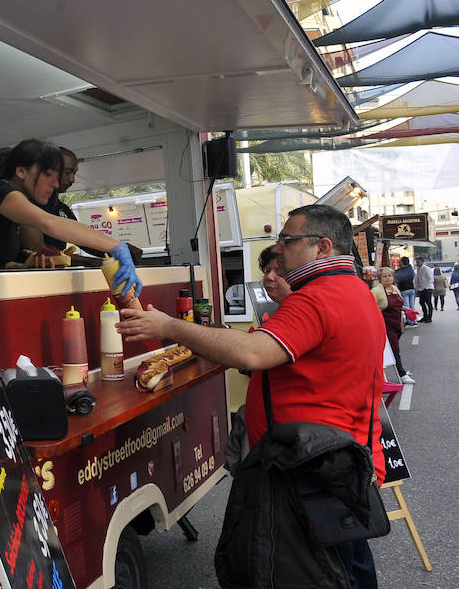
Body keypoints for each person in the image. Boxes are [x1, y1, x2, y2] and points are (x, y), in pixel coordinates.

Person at [117, 204, 385, 587]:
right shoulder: (350, 289)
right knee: (347, 566)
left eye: (287, 240)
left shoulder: (318, 297)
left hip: (313, 471)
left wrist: (169, 325)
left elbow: (251, 353)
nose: (278, 249)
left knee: (321, 573)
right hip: (337, 463)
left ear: (322, 247)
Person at [0, 139, 142, 296]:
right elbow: (51, 223)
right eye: (48, 175)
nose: (55, 184)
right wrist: (116, 247)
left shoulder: (5, 203)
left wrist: (25, 266)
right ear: (21, 171)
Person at [371, 267, 415, 384]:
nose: (388, 278)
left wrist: (407, 310)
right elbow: (370, 308)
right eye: (385, 276)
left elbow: (398, 305)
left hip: (397, 324)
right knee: (394, 349)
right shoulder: (376, 292)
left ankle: (378, 374)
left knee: (391, 349)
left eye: (390, 276)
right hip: (385, 325)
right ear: (380, 279)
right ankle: (402, 374)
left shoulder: (395, 289)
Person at [393, 256, 417, 326]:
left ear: (402, 262)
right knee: (412, 306)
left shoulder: (399, 271)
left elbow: (396, 280)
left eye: (400, 261)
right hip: (412, 289)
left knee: (407, 307)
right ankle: (414, 320)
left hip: (404, 290)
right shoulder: (410, 269)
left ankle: (410, 321)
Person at [414, 256, 434, 323]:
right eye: (416, 262)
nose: (417, 263)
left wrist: (426, 287)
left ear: (422, 262)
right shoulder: (418, 269)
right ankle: (425, 316)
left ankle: (429, 317)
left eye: (418, 262)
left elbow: (431, 279)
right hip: (422, 288)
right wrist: (418, 288)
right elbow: (418, 280)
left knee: (428, 303)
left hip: (428, 288)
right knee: (421, 302)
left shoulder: (426, 269)